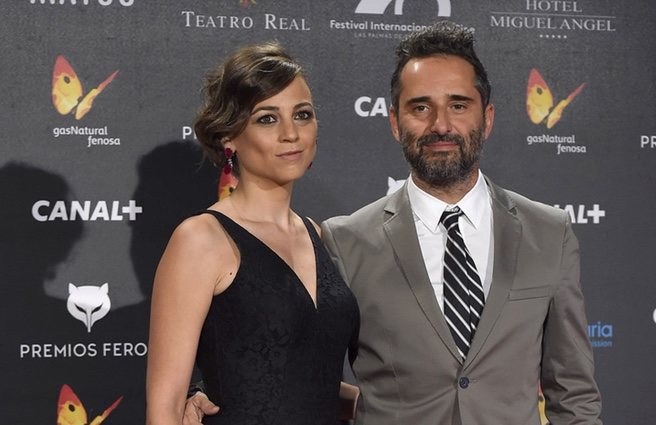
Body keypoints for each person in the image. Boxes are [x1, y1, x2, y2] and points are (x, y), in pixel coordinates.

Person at [186, 21, 602, 425]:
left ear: (487, 118)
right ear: (394, 121)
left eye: (458, 105)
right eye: (420, 107)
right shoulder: (341, 241)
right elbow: (296, 368)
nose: (440, 125)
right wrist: (217, 392)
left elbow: (574, 395)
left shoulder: (550, 232)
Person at [145, 42, 359, 425]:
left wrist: (411, 400)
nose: (291, 134)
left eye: (303, 115)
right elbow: (164, 410)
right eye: (267, 118)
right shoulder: (201, 240)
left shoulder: (318, 235)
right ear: (229, 136)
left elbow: (309, 382)